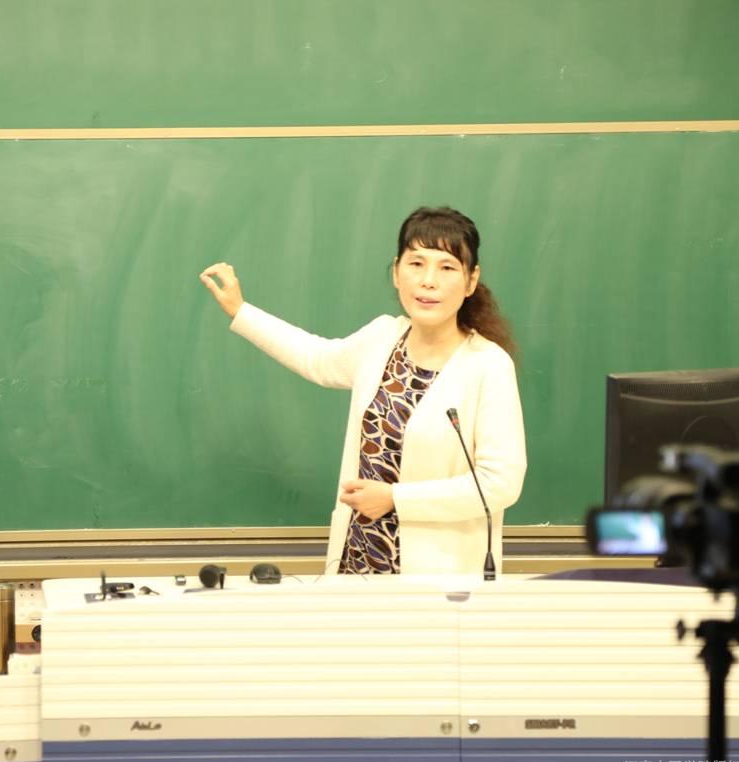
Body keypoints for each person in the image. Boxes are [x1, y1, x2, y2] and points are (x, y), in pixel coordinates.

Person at [199, 206, 526, 576]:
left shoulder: (488, 365)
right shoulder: (383, 337)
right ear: (397, 272)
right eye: (416, 264)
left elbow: (500, 484)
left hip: (437, 579)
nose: (428, 281)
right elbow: (317, 358)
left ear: (470, 280)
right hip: (356, 564)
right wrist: (241, 311)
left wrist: (395, 499)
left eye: (447, 267)